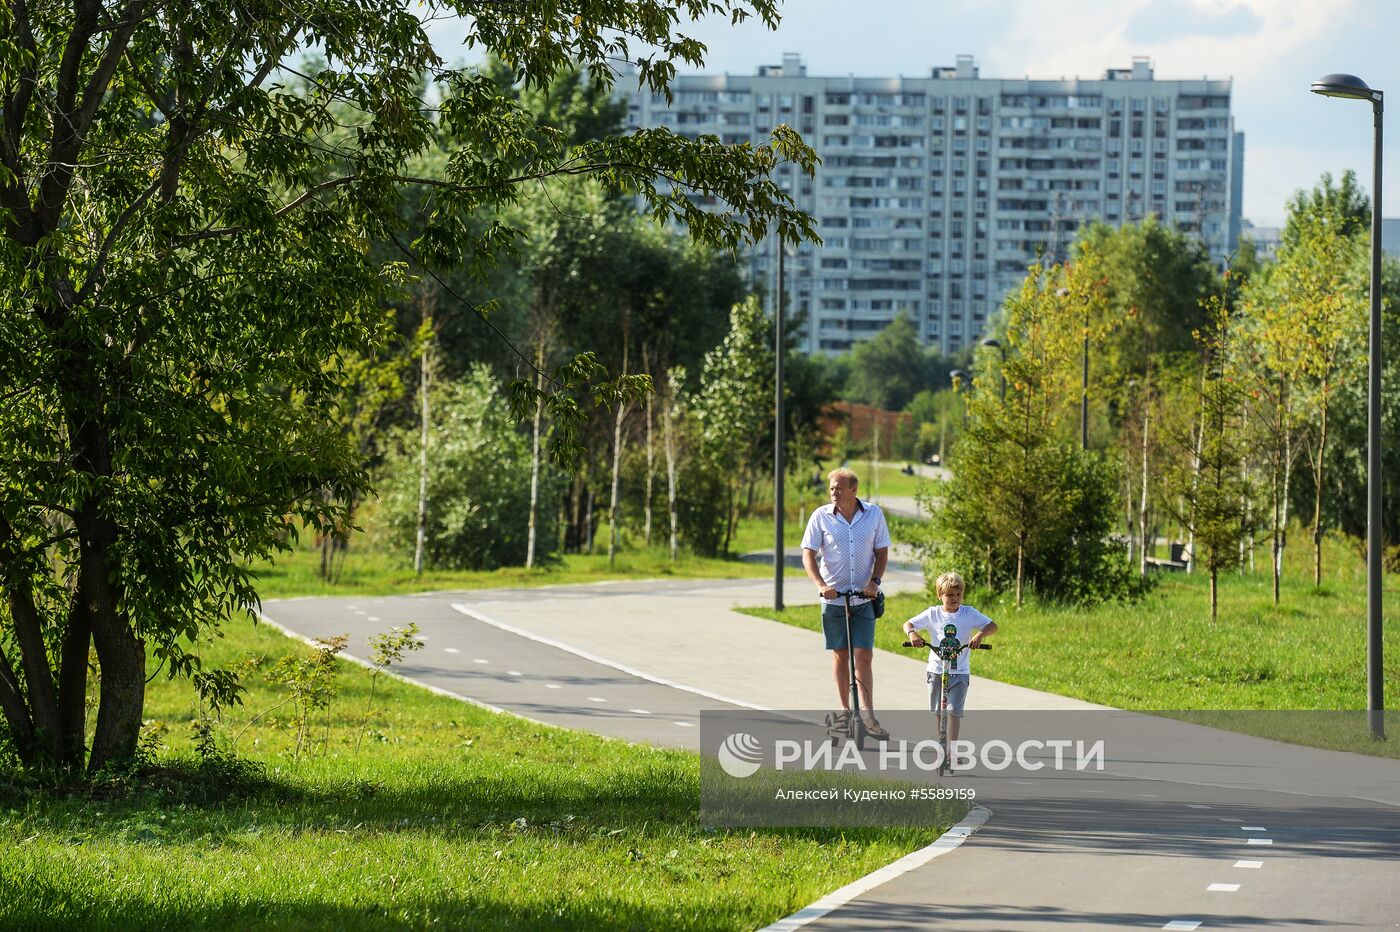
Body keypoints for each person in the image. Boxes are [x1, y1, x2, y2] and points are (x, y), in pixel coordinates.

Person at [801, 467, 891, 740]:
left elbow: (882, 550)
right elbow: (808, 554)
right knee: (840, 654)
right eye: (831, 488)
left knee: (864, 654)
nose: (833, 492)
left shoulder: (873, 514)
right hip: (834, 599)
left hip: (864, 598)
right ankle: (843, 712)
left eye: (838, 488)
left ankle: (867, 714)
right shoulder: (821, 516)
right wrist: (821, 586)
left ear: (854, 490)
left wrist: (875, 582)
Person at [902, 571, 998, 753]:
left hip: (960, 671)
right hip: (936, 670)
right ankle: (942, 744)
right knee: (939, 710)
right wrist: (913, 634)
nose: (954, 598)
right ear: (940, 595)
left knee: (954, 711)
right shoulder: (932, 614)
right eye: (949, 595)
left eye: (958, 594)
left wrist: (979, 635)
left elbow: (992, 626)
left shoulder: (968, 613)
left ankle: (951, 750)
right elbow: (908, 624)